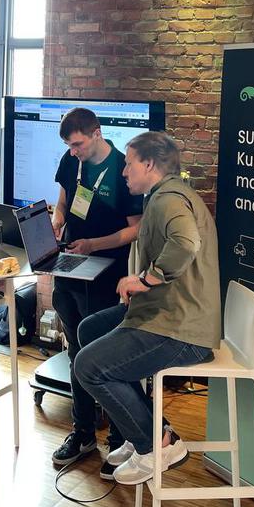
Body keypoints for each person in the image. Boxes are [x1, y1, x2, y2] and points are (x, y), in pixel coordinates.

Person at [73, 131, 221, 485]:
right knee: (89, 331)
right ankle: (149, 429)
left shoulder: (168, 200)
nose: (124, 171)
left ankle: (155, 445)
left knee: (89, 366)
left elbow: (186, 243)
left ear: (150, 164)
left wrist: (145, 280)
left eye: (129, 164)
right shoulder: (164, 195)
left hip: (181, 328)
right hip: (166, 313)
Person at [49, 107, 143, 475]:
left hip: (107, 274)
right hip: (70, 268)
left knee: (108, 358)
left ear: (97, 133)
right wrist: (57, 220)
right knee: (76, 352)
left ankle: (120, 439)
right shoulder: (70, 161)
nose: (74, 152)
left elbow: (135, 228)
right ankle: (83, 431)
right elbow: (63, 202)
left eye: (78, 145)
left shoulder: (122, 168)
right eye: (69, 147)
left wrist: (95, 245)